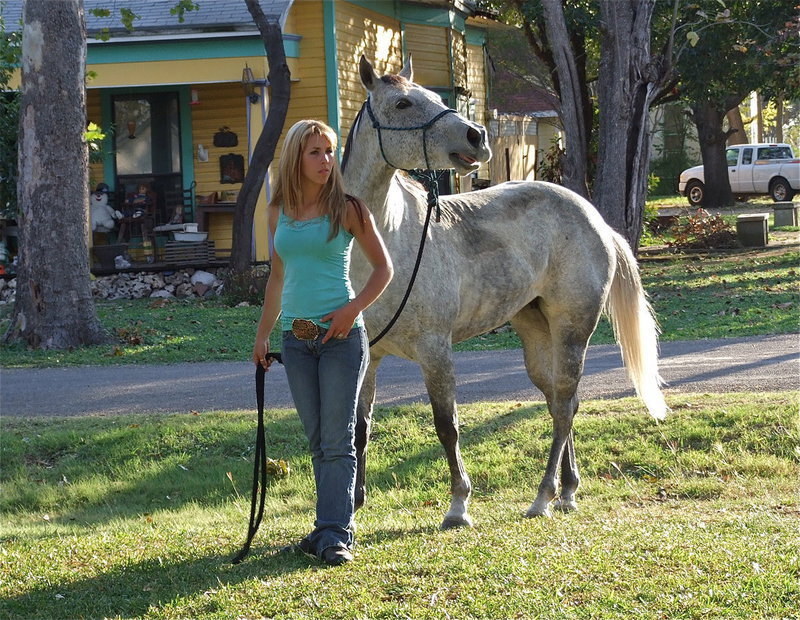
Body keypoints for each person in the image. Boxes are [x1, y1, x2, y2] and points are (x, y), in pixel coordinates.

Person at [252, 119, 393, 566]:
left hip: (341, 338)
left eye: (330, 152)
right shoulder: (278, 212)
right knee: (318, 439)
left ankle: (336, 533)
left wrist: (353, 309)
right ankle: (326, 526)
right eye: (315, 152)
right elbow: (277, 278)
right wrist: (262, 335)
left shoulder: (348, 208)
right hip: (296, 341)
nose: (326, 160)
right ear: (296, 157)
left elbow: (383, 269)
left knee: (338, 439)